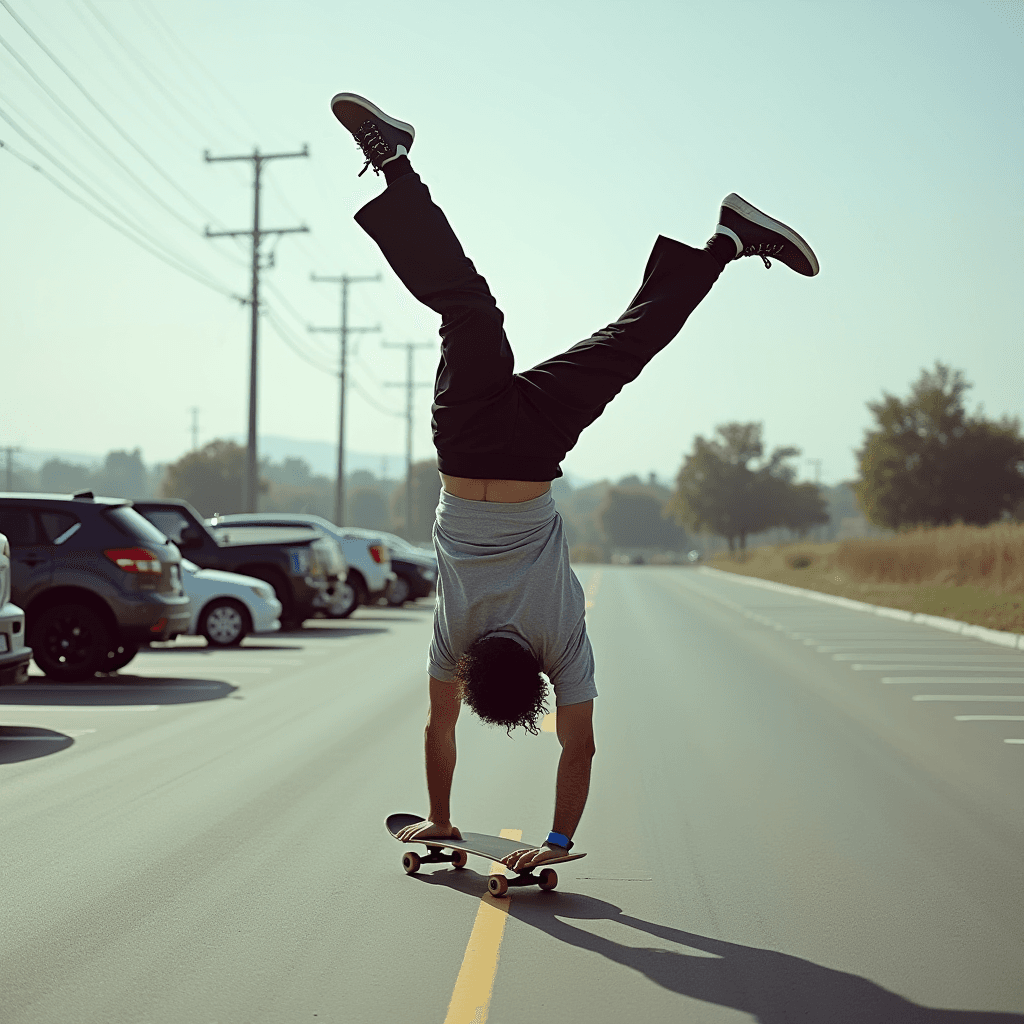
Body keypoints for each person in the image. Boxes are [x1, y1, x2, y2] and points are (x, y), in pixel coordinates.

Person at [331, 93, 819, 873]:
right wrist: (441, 816)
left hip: (532, 452)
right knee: (468, 311)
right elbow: (438, 730)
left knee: (627, 345)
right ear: (476, 666)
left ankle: (727, 241)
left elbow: (581, 748)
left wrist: (556, 844)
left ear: (533, 675)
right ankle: (398, 167)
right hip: (466, 444)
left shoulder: (559, 643)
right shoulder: (454, 642)